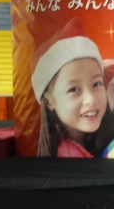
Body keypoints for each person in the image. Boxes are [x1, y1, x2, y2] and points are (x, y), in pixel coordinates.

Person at [31, 18, 108, 157]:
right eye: (73, 89)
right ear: (48, 102)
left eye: (96, 84)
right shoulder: (68, 157)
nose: (90, 99)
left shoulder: (87, 138)